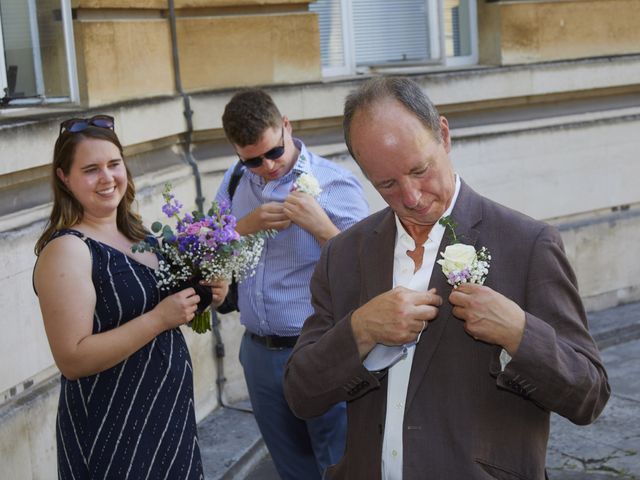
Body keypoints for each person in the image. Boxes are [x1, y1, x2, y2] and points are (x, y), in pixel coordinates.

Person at [283, 77, 610, 479]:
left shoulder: (528, 244)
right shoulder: (344, 254)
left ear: (443, 134)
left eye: (420, 170)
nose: (412, 197)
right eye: (387, 184)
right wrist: (361, 330)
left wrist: (520, 333)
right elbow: (302, 395)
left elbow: (589, 396)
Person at [33, 115, 228, 479]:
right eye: (91, 169)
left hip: (170, 423)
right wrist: (159, 319)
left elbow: (174, 303)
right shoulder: (69, 250)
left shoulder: (143, 237)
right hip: (115, 432)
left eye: (114, 164)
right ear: (64, 178)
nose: (107, 178)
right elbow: (72, 358)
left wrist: (212, 291)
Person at [215, 89, 369, 479]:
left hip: (318, 347)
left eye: (274, 153)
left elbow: (366, 273)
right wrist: (242, 227)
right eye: (252, 160)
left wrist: (322, 229)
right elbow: (209, 244)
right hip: (257, 352)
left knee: (338, 464)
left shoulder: (335, 184)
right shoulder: (234, 183)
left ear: (287, 126)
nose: (266, 166)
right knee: (291, 470)